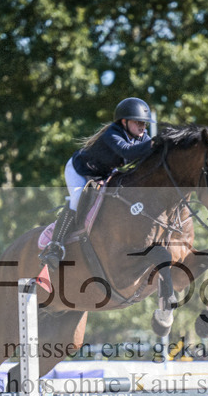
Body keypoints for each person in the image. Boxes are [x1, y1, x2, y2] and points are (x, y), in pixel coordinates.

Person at [39, 97, 156, 269]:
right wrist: (155, 143)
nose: (142, 127)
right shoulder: (113, 133)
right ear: (124, 122)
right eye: (138, 122)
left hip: (103, 175)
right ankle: (55, 247)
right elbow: (128, 152)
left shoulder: (142, 137)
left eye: (144, 123)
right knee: (78, 198)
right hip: (79, 171)